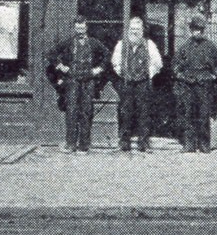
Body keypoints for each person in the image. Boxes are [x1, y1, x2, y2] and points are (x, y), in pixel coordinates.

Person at [48, 16, 109, 153]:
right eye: (77, 27)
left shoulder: (94, 43)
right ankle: (70, 144)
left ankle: (84, 146)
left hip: (88, 81)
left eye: (82, 27)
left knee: (86, 112)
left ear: (86, 27)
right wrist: (61, 66)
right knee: (71, 112)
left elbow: (106, 54)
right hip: (72, 81)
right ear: (74, 28)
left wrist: (99, 69)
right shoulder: (69, 43)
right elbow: (51, 54)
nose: (80, 30)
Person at [111, 17, 163, 152]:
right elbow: (115, 62)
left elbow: (158, 63)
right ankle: (124, 142)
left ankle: (143, 143)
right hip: (127, 83)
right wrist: (122, 73)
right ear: (128, 30)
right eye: (132, 29)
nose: (134, 32)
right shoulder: (122, 45)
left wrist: (148, 73)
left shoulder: (149, 44)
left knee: (144, 113)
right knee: (125, 113)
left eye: (137, 29)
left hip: (142, 83)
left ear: (142, 31)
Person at [173, 15, 217, 153]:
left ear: (203, 30)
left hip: (204, 84)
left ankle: (204, 144)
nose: (198, 32)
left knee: (203, 114)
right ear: (191, 30)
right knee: (188, 114)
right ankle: (189, 144)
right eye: (195, 29)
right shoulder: (185, 47)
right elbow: (175, 64)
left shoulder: (210, 47)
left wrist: (214, 75)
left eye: (200, 30)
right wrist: (180, 75)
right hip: (188, 84)